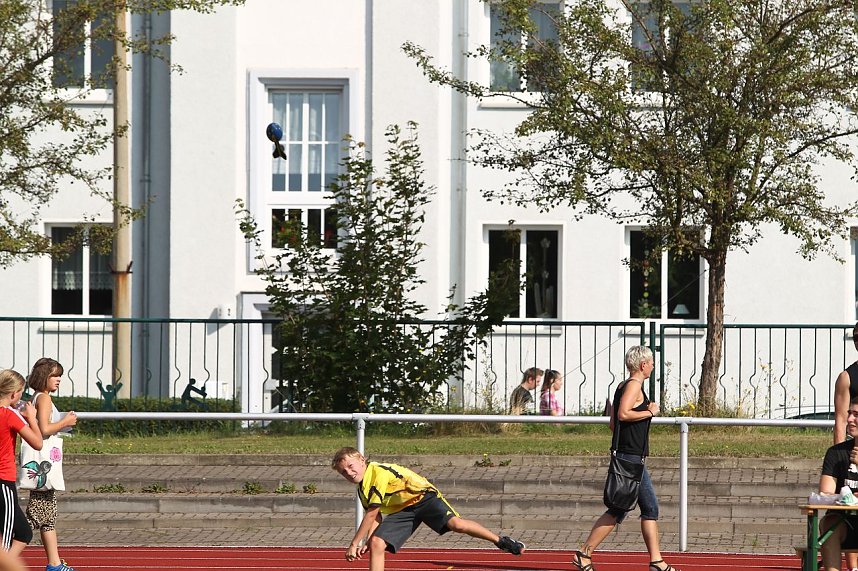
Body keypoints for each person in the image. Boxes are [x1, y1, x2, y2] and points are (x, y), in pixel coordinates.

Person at [572, 346, 678, 571]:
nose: (652, 367)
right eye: (650, 363)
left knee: (646, 508)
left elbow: (613, 424)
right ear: (643, 365)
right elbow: (623, 414)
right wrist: (650, 412)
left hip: (629, 456)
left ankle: (656, 561)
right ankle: (585, 553)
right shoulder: (634, 385)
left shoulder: (621, 386)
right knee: (624, 509)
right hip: (630, 458)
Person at [331, 447, 525, 570]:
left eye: (350, 465)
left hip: (424, 497)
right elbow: (376, 517)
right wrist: (368, 540)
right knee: (376, 544)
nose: (349, 472)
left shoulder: (378, 473)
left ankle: (501, 541)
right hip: (403, 510)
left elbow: (372, 512)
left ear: (362, 459)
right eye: (343, 472)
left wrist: (354, 543)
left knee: (457, 525)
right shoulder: (361, 489)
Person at [26, 358, 79, 571]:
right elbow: (44, 429)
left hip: (45, 461)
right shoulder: (44, 398)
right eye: (55, 375)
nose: (58, 380)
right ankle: (6, 556)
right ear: (44, 377)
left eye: (59, 376)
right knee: (35, 516)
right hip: (44, 463)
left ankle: (55, 563)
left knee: (48, 516)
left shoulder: (37, 397)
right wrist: (65, 422)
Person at [0, 369, 42, 557]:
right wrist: (32, 418)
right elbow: (37, 442)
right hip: (3, 481)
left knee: (24, 531)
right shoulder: (9, 414)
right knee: (8, 537)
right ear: (14, 393)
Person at [832, 322, 858, 571]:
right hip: (853, 453)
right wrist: (841, 462)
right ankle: (853, 567)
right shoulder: (847, 377)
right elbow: (841, 419)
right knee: (848, 511)